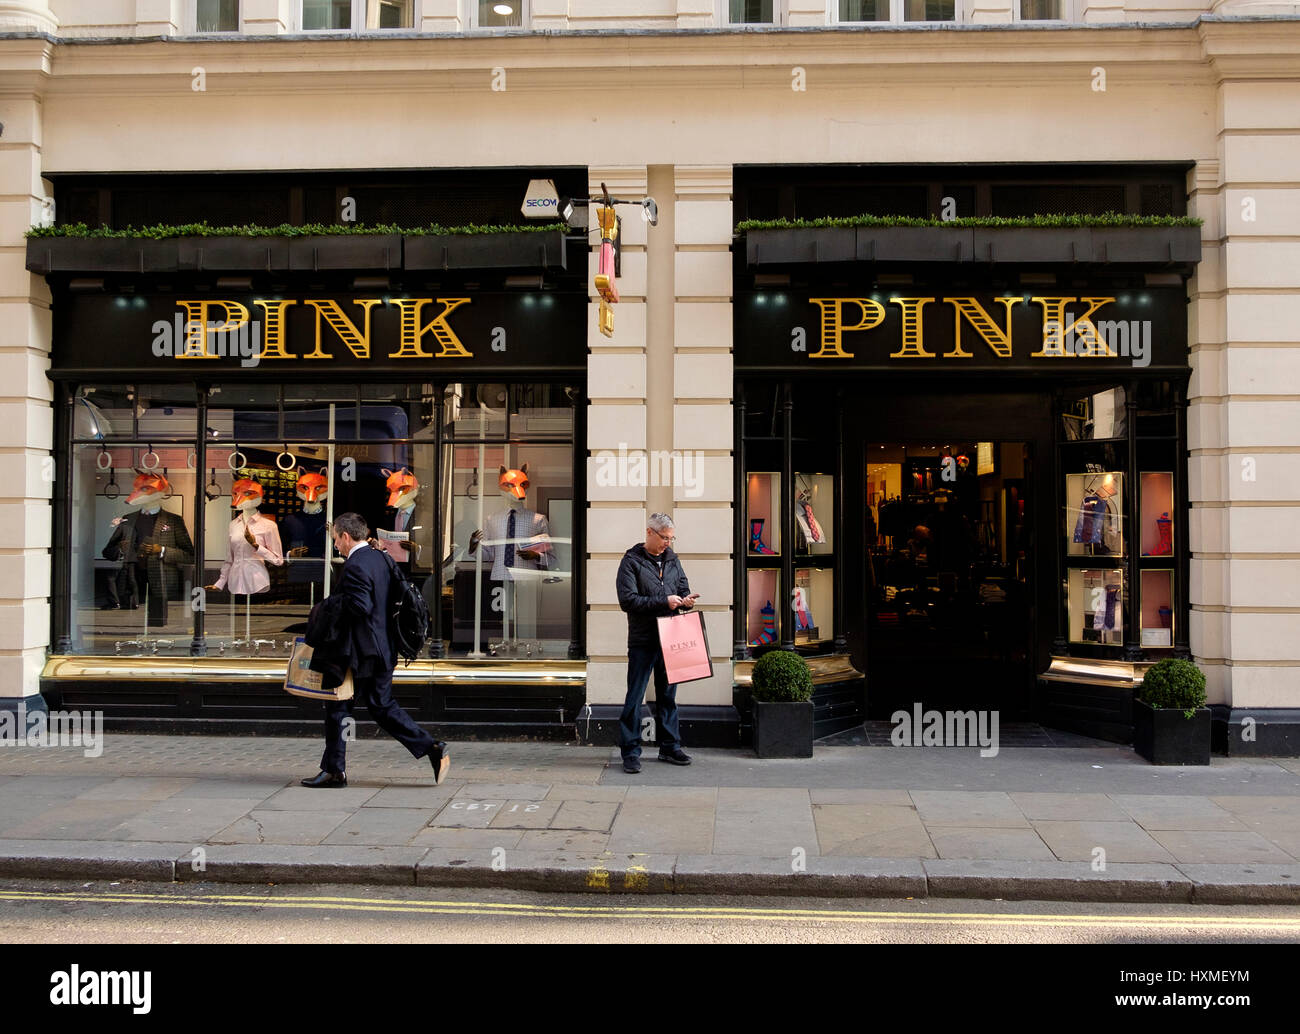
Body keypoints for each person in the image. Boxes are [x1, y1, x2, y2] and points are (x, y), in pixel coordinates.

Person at [300, 511, 450, 788]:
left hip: (359, 653)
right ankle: (431, 748)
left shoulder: (356, 565)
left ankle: (335, 771)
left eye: (335, 540)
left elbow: (360, 606)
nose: (335, 545)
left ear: (346, 536)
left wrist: (326, 605)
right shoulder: (380, 557)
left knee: (338, 706)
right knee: (379, 706)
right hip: (382, 648)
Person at [614, 512, 698, 774]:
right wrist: (664, 602)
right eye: (664, 538)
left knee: (668, 696)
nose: (668, 543)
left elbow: (682, 586)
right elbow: (628, 601)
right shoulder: (631, 561)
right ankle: (630, 751)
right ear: (649, 533)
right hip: (643, 639)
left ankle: (670, 746)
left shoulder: (672, 559)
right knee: (635, 697)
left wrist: (686, 599)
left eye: (671, 539)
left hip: (671, 637)